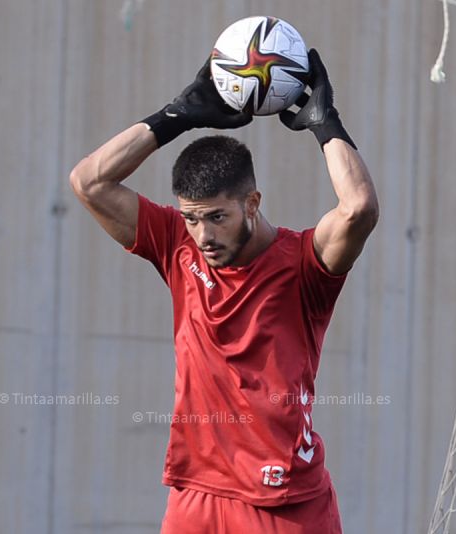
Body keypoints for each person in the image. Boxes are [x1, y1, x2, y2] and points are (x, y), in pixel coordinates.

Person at [70, 48, 379, 534]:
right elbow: (89, 181)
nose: (204, 235)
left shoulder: (304, 267)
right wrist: (175, 116)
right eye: (192, 218)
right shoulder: (177, 245)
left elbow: (358, 208)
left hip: (285, 502)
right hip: (196, 495)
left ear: (252, 203)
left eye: (218, 217)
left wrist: (325, 123)